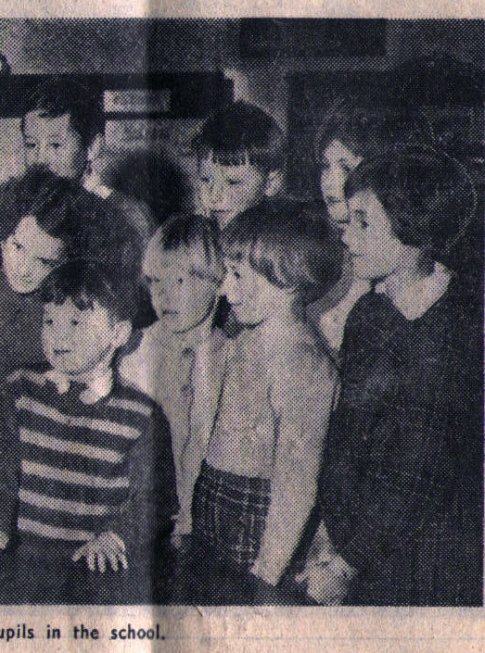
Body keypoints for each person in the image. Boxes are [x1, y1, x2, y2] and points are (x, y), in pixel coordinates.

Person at [307, 147, 482, 606]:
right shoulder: (368, 314)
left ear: (413, 225)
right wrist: (328, 536)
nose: (348, 236)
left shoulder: (461, 328)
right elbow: (343, 440)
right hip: (347, 546)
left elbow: (418, 471)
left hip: (422, 562)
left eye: (364, 222)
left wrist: (346, 563)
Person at [0, 261, 176, 586]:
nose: (58, 336)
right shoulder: (19, 390)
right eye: (49, 321)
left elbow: (153, 497)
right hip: (24, 564)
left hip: (96, 570)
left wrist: (115, 537)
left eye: (76, 323)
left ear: (118, 333)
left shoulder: (140, 414)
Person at [189, 202, 342, 597]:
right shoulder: (243, 340)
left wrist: (268, 569)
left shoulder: (303, 363)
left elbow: (297, 479)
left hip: (257, 529)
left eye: (237, 275)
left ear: (287, 279)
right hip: (213, 506)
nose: (225, 288)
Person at [118, 214, 227, 547]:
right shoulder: (131, 352)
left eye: (180, 281)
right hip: (136, 526)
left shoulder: (233, 356)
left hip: (210, 528)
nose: (163, 296)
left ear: (222, 283)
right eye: (154, 282)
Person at [306, 99, 433, 354]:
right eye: (325, 166)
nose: (330, 182)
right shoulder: (323, 248)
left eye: (346, 167)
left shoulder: (408, 275)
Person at [0, 167, 92, 382]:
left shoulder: (73, 307)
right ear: (4, 235)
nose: (24, 269)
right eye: (18, 247)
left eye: (44, 261)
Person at [20, 77, 155, 246]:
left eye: (55, 145)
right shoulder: (20, 207)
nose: (40, 159)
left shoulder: (126, 216)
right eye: (31, 145)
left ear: (92, 147)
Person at [190, 101, 286, 229]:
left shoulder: (281, 243)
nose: (214, 196)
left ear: (271, 183)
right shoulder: (192, 237)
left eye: (232, 182)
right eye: (205, 179)